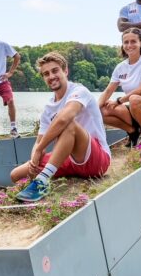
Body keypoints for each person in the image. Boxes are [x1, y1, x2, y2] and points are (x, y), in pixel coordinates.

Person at [10, 52, 111, 202]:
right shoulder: (48, 108)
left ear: (65, 71)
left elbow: (64, 118)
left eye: (55, 70)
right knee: (16, 174)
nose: (51, 76)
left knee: (68, 123)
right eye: (46, 74)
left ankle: (43, 181)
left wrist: (39, 149)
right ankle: (39, 181)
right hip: (70, 159)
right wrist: (34, 160)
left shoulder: (79, 91)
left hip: (96, 160)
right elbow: (39, 142)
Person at [98, 27, 141, 147]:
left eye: (133, 41)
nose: (129, 45)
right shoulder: (120, 67)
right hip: (134, 109)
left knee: (134, 98)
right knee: (102, 110)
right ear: (122, 45)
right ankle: (133, 132)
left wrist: (119, 101)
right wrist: (94, 109)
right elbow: (108, 91)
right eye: (126, 42)